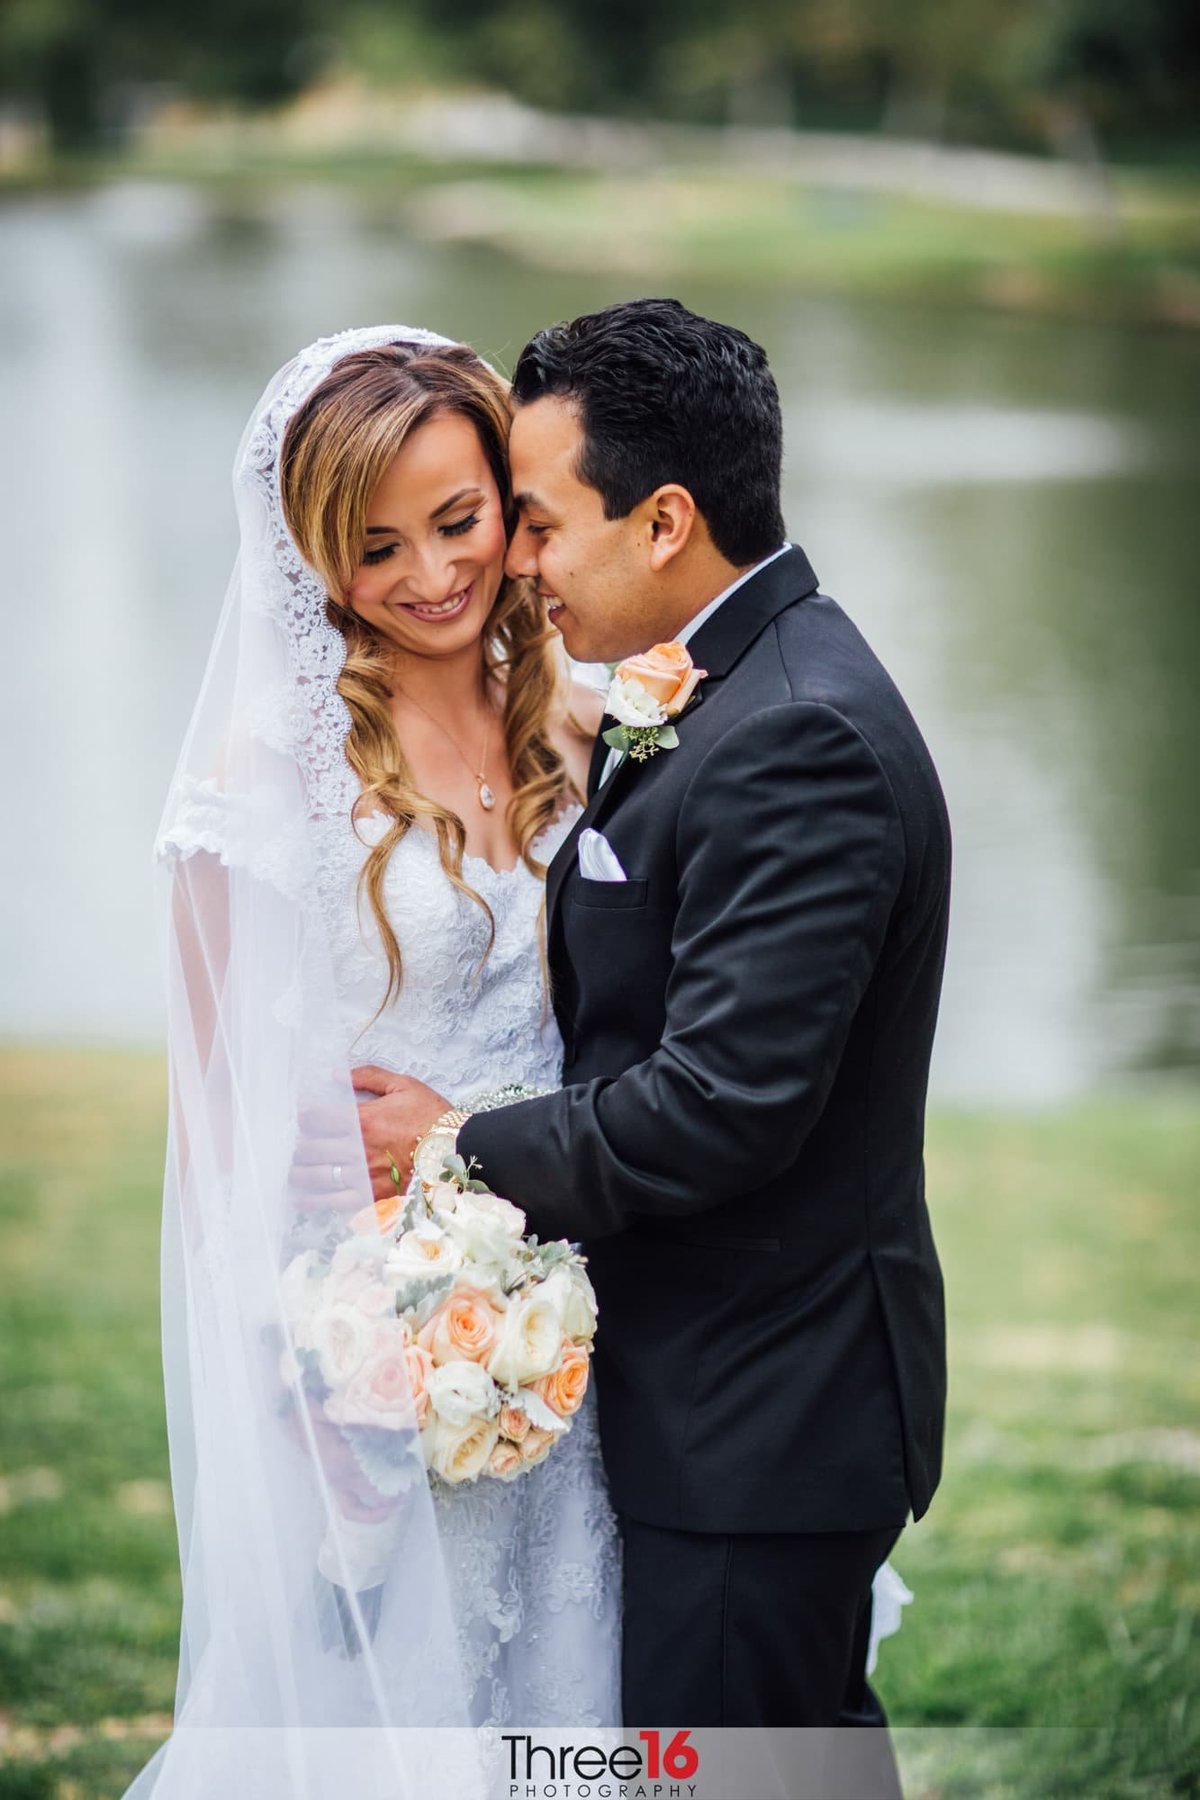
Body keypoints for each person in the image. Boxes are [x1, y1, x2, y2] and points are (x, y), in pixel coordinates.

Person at [369, 297, 950, 1789]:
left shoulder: (796, 733)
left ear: (668, 518)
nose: (517, 561)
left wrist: (451, 1142)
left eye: (542, 524)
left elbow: (721, 1106)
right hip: (729, 1391)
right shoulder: (736, 682)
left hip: (766, 1410)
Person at [129, 325, 620, 1800]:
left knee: (574, 1705)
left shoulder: (578, 709)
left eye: (459, 522)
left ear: (509, 494)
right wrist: (322, 1373)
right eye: (373, 546)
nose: (429, 576)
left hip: (569, 1305)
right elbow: (227, 1136)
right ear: (307, 557)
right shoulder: (267, 771)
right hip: (379, 1344)